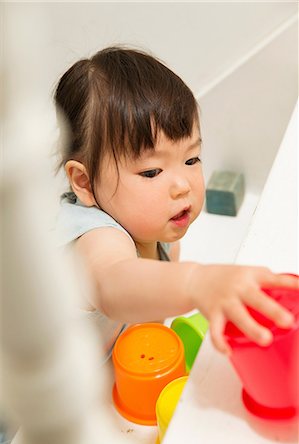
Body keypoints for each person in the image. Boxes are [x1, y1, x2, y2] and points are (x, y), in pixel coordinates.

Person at [54, 46, 297, 362]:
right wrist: (197, 283)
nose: (183, 185)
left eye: (192, 158)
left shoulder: (161, 235)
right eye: (152, 171)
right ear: (85, 183)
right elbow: (113, 284)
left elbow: (150, 305)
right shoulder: (94, 239)